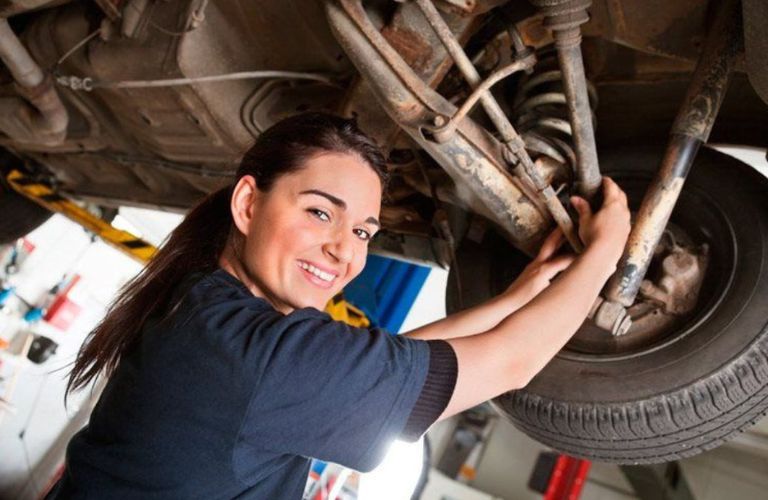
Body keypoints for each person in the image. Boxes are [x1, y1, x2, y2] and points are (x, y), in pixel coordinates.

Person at [47, 112, 630, 499]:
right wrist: (605, 253)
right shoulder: (256, 355)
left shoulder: (206, 311)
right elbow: (510, 364)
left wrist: (519, 296)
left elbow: (396, 363)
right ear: (248, 204)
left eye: (364, 232)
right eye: (321, 212)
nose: (344, 250)